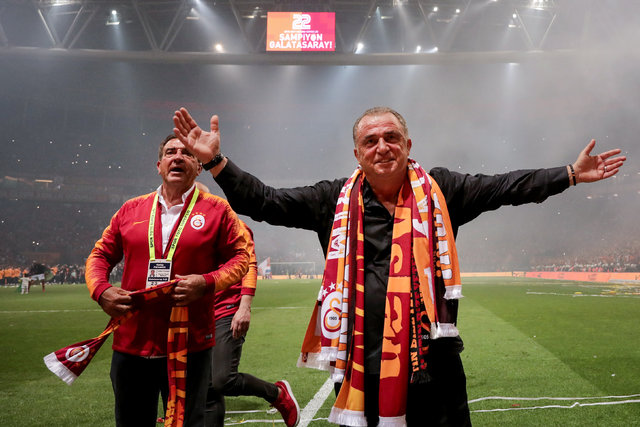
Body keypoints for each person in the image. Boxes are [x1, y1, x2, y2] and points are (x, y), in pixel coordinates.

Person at [172, 106, 626, 426]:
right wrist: (216, 162)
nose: (382, 147)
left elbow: (506, 186)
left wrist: (569, 174)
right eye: (370, 141)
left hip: (433, 359)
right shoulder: (333, 199)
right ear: (357, 154)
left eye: (392, 138)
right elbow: (265, 201)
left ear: (408, 145)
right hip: (360, 360)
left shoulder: (441, 189)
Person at [85, 135, 251, 427]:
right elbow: (99, 255)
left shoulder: (218, 210)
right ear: (159, 165)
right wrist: (101, 291)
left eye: (187, 153)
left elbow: (241, 259)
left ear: (198, 167)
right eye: (170, 152)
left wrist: (206, 281)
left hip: (190, 345)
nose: (177, 157)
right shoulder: (130, 209)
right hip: (132, 343)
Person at [193, 182, 301, 427]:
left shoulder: (233, 225)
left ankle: (276, 394)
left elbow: (249, 265)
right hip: (198, 313)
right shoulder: (184, 230)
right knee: (206, 385)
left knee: (222, 379)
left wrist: (244, 307)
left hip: (227, 308)